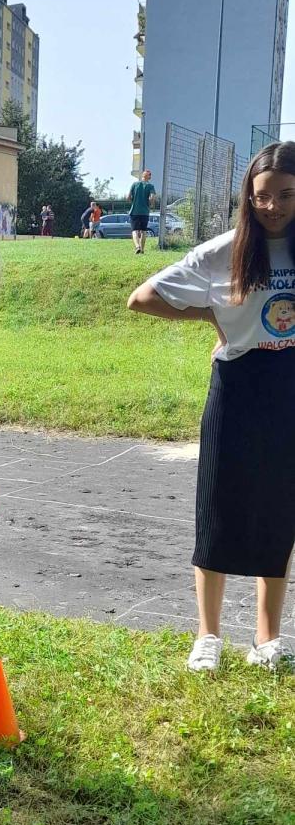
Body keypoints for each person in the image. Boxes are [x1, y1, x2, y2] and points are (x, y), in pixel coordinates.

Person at [127, 141, 295, 673]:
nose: (273, 206)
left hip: (289, 387)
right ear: (248, 196)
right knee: (217, 508)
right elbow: (142, 297)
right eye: (262, 196)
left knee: (279, 512)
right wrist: (212, 316)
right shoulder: (225, 251)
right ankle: (208, 635)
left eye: (286, 195)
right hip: (237, 384)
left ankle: (267, 638)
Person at [129, 168, 155, 254]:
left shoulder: (134, 184)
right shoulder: (150, 186)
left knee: (134, 231)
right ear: (149, 177)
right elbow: (152, 197)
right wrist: (151, 204)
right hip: (145, 212)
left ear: (142, 175)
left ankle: (137, 247)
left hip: (134, 211)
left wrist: (134, 201)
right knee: (143, 231)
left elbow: (128, 197)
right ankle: (142, 250)